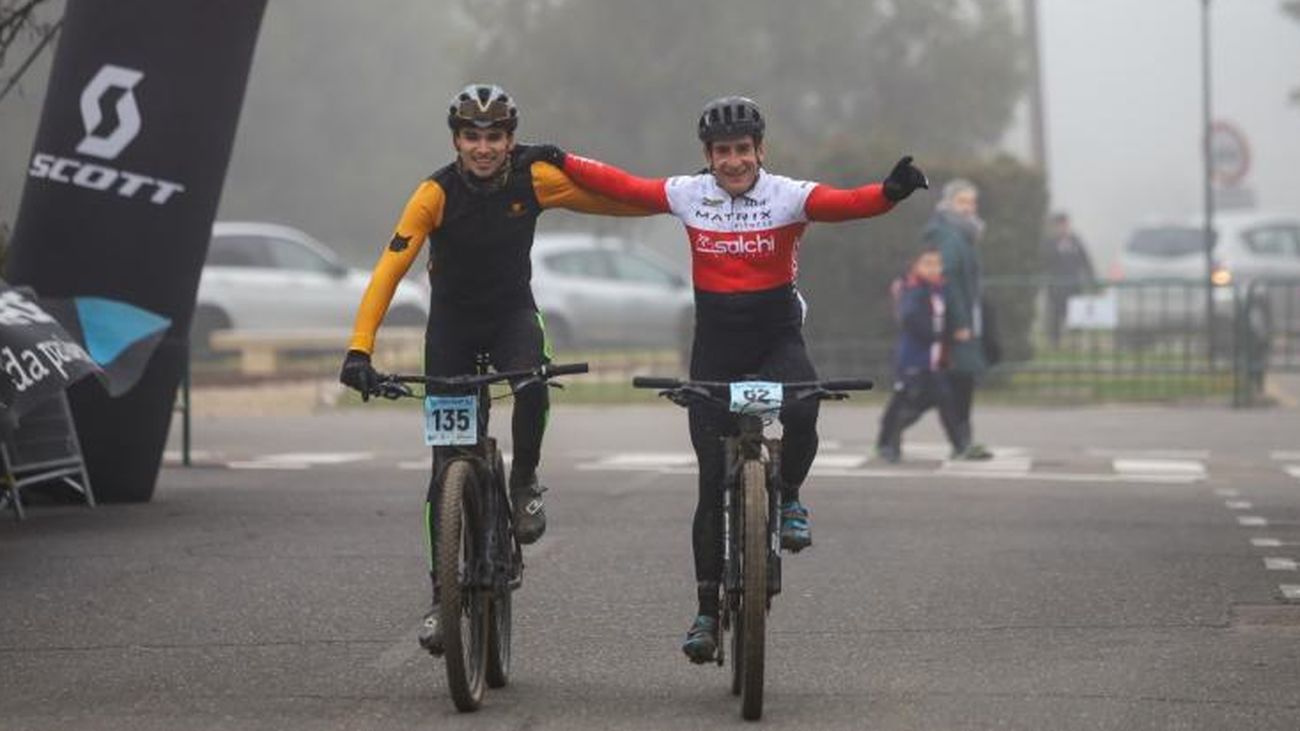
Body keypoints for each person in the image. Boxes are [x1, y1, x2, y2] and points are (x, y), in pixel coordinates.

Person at [525, 96, 928, 663]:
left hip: (775, 340)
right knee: (711, 483)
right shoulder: (691, 195)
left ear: (760, 150)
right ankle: (708, 612)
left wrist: (891, 192)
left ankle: (788, 498)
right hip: (715, 349)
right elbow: (626, 187)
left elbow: (844, 204)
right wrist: (564, 159)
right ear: (708, 156)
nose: (733, 161)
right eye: (722, 152)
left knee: (805, 408)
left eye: (743, 150)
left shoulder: (788, 196)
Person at [338, 83, 647, 656]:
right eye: (472, 137)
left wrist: (683, 200)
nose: (483, 148)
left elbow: (620, 199)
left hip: (511, 316)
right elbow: (388, 270)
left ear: (511, 140)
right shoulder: (434, 193)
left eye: (495, 137)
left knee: (532, 381)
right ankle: (441, 597)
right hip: (452, 329)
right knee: (442, 470)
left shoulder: (536, 179)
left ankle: (524, 479)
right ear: (456, 139)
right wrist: (359, 350)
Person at [875, 247, 969, 462]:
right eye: (928, 263)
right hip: (914, 360)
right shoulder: (913, 289)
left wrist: (952, 333)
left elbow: (945, 317)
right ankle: (888, 443)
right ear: (915, 266)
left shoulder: (938, 289)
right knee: (907, 402)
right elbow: (910, 319)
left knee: (942, 400)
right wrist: (943, 335)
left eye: (937, 263)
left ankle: (960, 445)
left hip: (933, 361)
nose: (934, 268)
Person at [922, 179, 993, 460]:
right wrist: (961, 322)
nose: (969, 208)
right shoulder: (949, 236)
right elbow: (947, 280)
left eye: (972, 202)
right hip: (954, 324)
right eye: (963, 202)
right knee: (953, 382)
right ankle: (961, 441)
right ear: (949, 203)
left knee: (957, 381)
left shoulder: (961, 234)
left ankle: (963, 440)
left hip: (963, 319)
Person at [1039, 211, 1095, 347]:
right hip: (1056, 287)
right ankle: (1054, 342)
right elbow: (1044, 261)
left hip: (1073, 285)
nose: (1064, 228)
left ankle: (1074, 342)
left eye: (1066, 225)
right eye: (1060, 225)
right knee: (1055, 317)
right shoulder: (1050, 242)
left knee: (1075, 315)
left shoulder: (1075, 241)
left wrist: (1091, 279)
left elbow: (1085, 260)